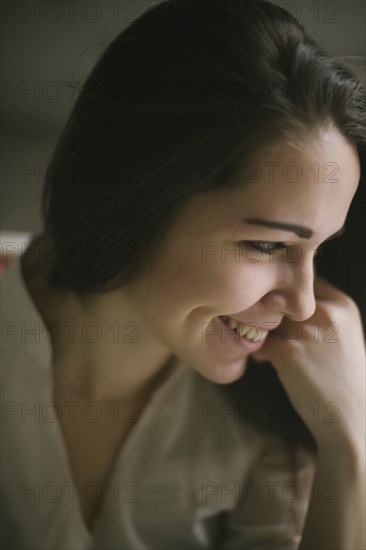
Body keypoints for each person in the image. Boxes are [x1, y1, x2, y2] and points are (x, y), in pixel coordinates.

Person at [1, 0, 365, 548]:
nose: (305, 305)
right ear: (137, 199)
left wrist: (350, 448)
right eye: (268, 245)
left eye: (320, 250)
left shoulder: (271, 415)